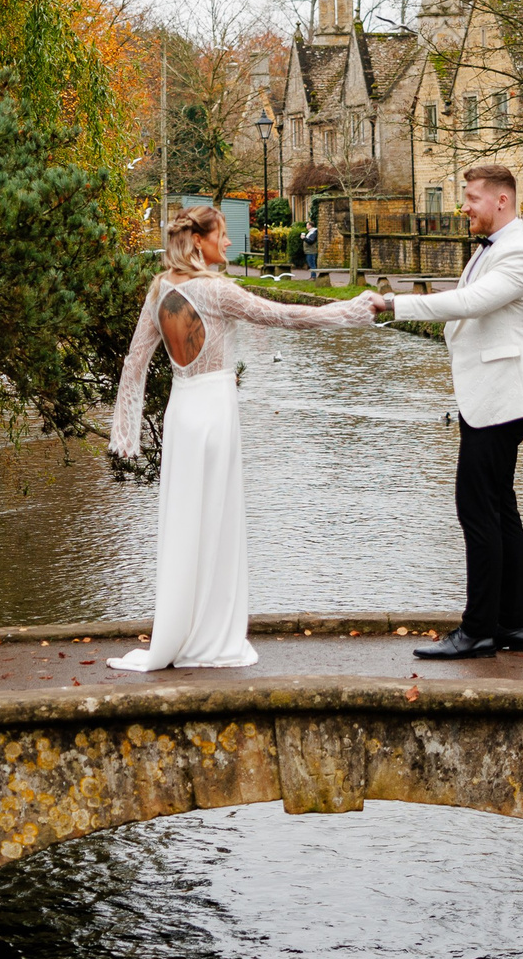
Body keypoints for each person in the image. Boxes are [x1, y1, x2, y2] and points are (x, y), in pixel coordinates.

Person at [107, 205, 375, 670]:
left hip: (181, 412)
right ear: (199, 242)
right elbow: (283, 316)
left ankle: (181, 632)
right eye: (223, 234)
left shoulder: (158, 289)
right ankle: (211, 638)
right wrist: (349, 312)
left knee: (186, 523)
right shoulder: (215, 290)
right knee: (216, 522)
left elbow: (135, 362)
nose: (229, 243)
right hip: (214, 410)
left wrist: (126, 433)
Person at [367, 163, 523, 660]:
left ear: (501, 201)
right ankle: (513, 626)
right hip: (493, 393)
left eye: (471, 197)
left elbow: (469, 302)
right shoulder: (497, 246)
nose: (463, 206)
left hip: (502, 395)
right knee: (499, 506)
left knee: (476, 508)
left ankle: (478, 631)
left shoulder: (519, 251)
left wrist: (392, 303)